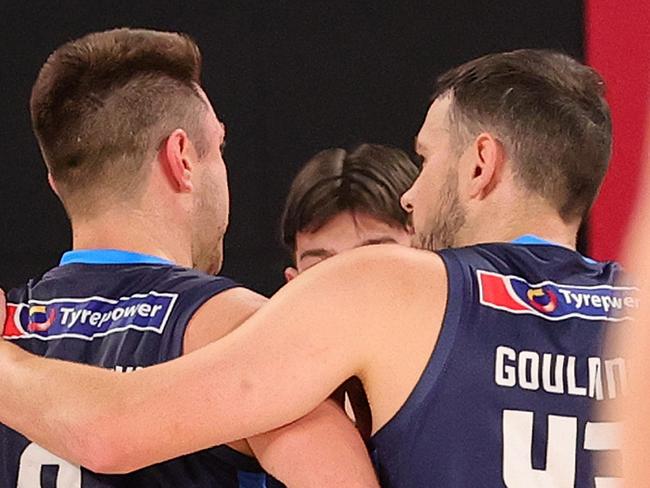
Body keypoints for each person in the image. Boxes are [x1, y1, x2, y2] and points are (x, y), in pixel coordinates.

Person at [0, 49, 626, 486]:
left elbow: (110, 431)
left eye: (427, 158)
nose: (412, 194)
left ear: (480, 164)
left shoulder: (388, 287)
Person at [0, 28, 378, 488]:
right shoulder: (243, 331)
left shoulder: (8, 329)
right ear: (181, 157)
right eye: (218, 148)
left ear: (56, 183)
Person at [281, 143, 418, 438]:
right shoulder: (271, 410)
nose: (349, 290)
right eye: (322, 270)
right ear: (292, 287)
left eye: (374, 260)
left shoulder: (486, 381)